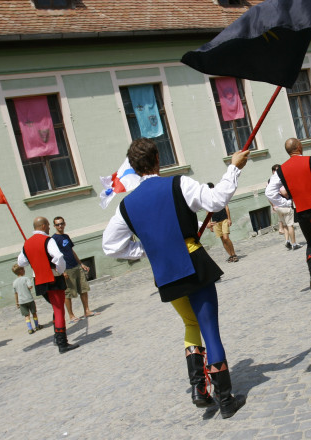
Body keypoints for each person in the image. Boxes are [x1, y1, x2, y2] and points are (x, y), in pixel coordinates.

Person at [102, 138, 248, 418]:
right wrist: (234, 168)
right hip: (191, 262)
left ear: (134, 168)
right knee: (209, 330)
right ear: (157, 158)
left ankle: (199, 389)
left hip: (165, 271)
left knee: (190, 323)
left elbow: (110, 245)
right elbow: (216, 200)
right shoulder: (178, 183)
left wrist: (145, 248)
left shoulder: (127, 204)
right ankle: (226, 400)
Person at [266, 138, 311, 294]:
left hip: (301, 209)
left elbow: (269, 192)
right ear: (299, 147)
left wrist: (289, 202)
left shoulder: (281, 169)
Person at [18, 217, 79, 354]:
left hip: (39, 280)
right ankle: (62, 343)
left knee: (55, 308)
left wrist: (34, 258)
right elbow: (58, 256)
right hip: (53, 278)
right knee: (59, 310)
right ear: (44, 226)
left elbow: (21, 262)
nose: (50, 228)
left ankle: (58, 337)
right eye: (48, 225)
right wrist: (61, 270)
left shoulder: (26, 243)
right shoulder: (48, 240)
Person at [52, 216, 98, 324]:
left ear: (64, 224)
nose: (60, 226)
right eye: (58, 224)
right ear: (54, 226)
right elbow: (54, 257)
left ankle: (87, 310)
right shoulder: (53, 239)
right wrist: (61, 271)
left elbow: (71, 251)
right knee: (68, 293)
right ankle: (71, 315)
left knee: (83, 288)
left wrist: (80, 263)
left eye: (61, 223)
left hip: (75, 266)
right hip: (66, 269)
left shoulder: (66, 236)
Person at [268, 165, 301, 251]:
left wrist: (273, 206)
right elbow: (284, 192)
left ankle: (287, 241)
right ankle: (294, 244)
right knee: (290, 226)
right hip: (285, 206)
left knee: (285, 225)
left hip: (277, 207)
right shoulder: (280, 179)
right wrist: (290, 198)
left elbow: (269, 196)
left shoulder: (271, 180)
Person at [206, 183, 239, 262]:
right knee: (223, 240)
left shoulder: (220, 196)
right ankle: (231, 256)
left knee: (226, 238)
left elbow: (226, 208)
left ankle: (234, 254)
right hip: (215, 222)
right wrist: (209, 224)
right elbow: (208, 212)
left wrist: (229, 219)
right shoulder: (207, 200)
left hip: (224, 219)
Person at [11, 264, 41, 334]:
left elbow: (15, 293)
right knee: (34, 313)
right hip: (29, 299)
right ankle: (37, 326)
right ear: (21, 271)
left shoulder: (14, 282)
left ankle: (30, 328)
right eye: (23, 269)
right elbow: (30, 286)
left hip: (21, 301)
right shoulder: (26, 278)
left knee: (26, 315)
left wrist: (17, 302)